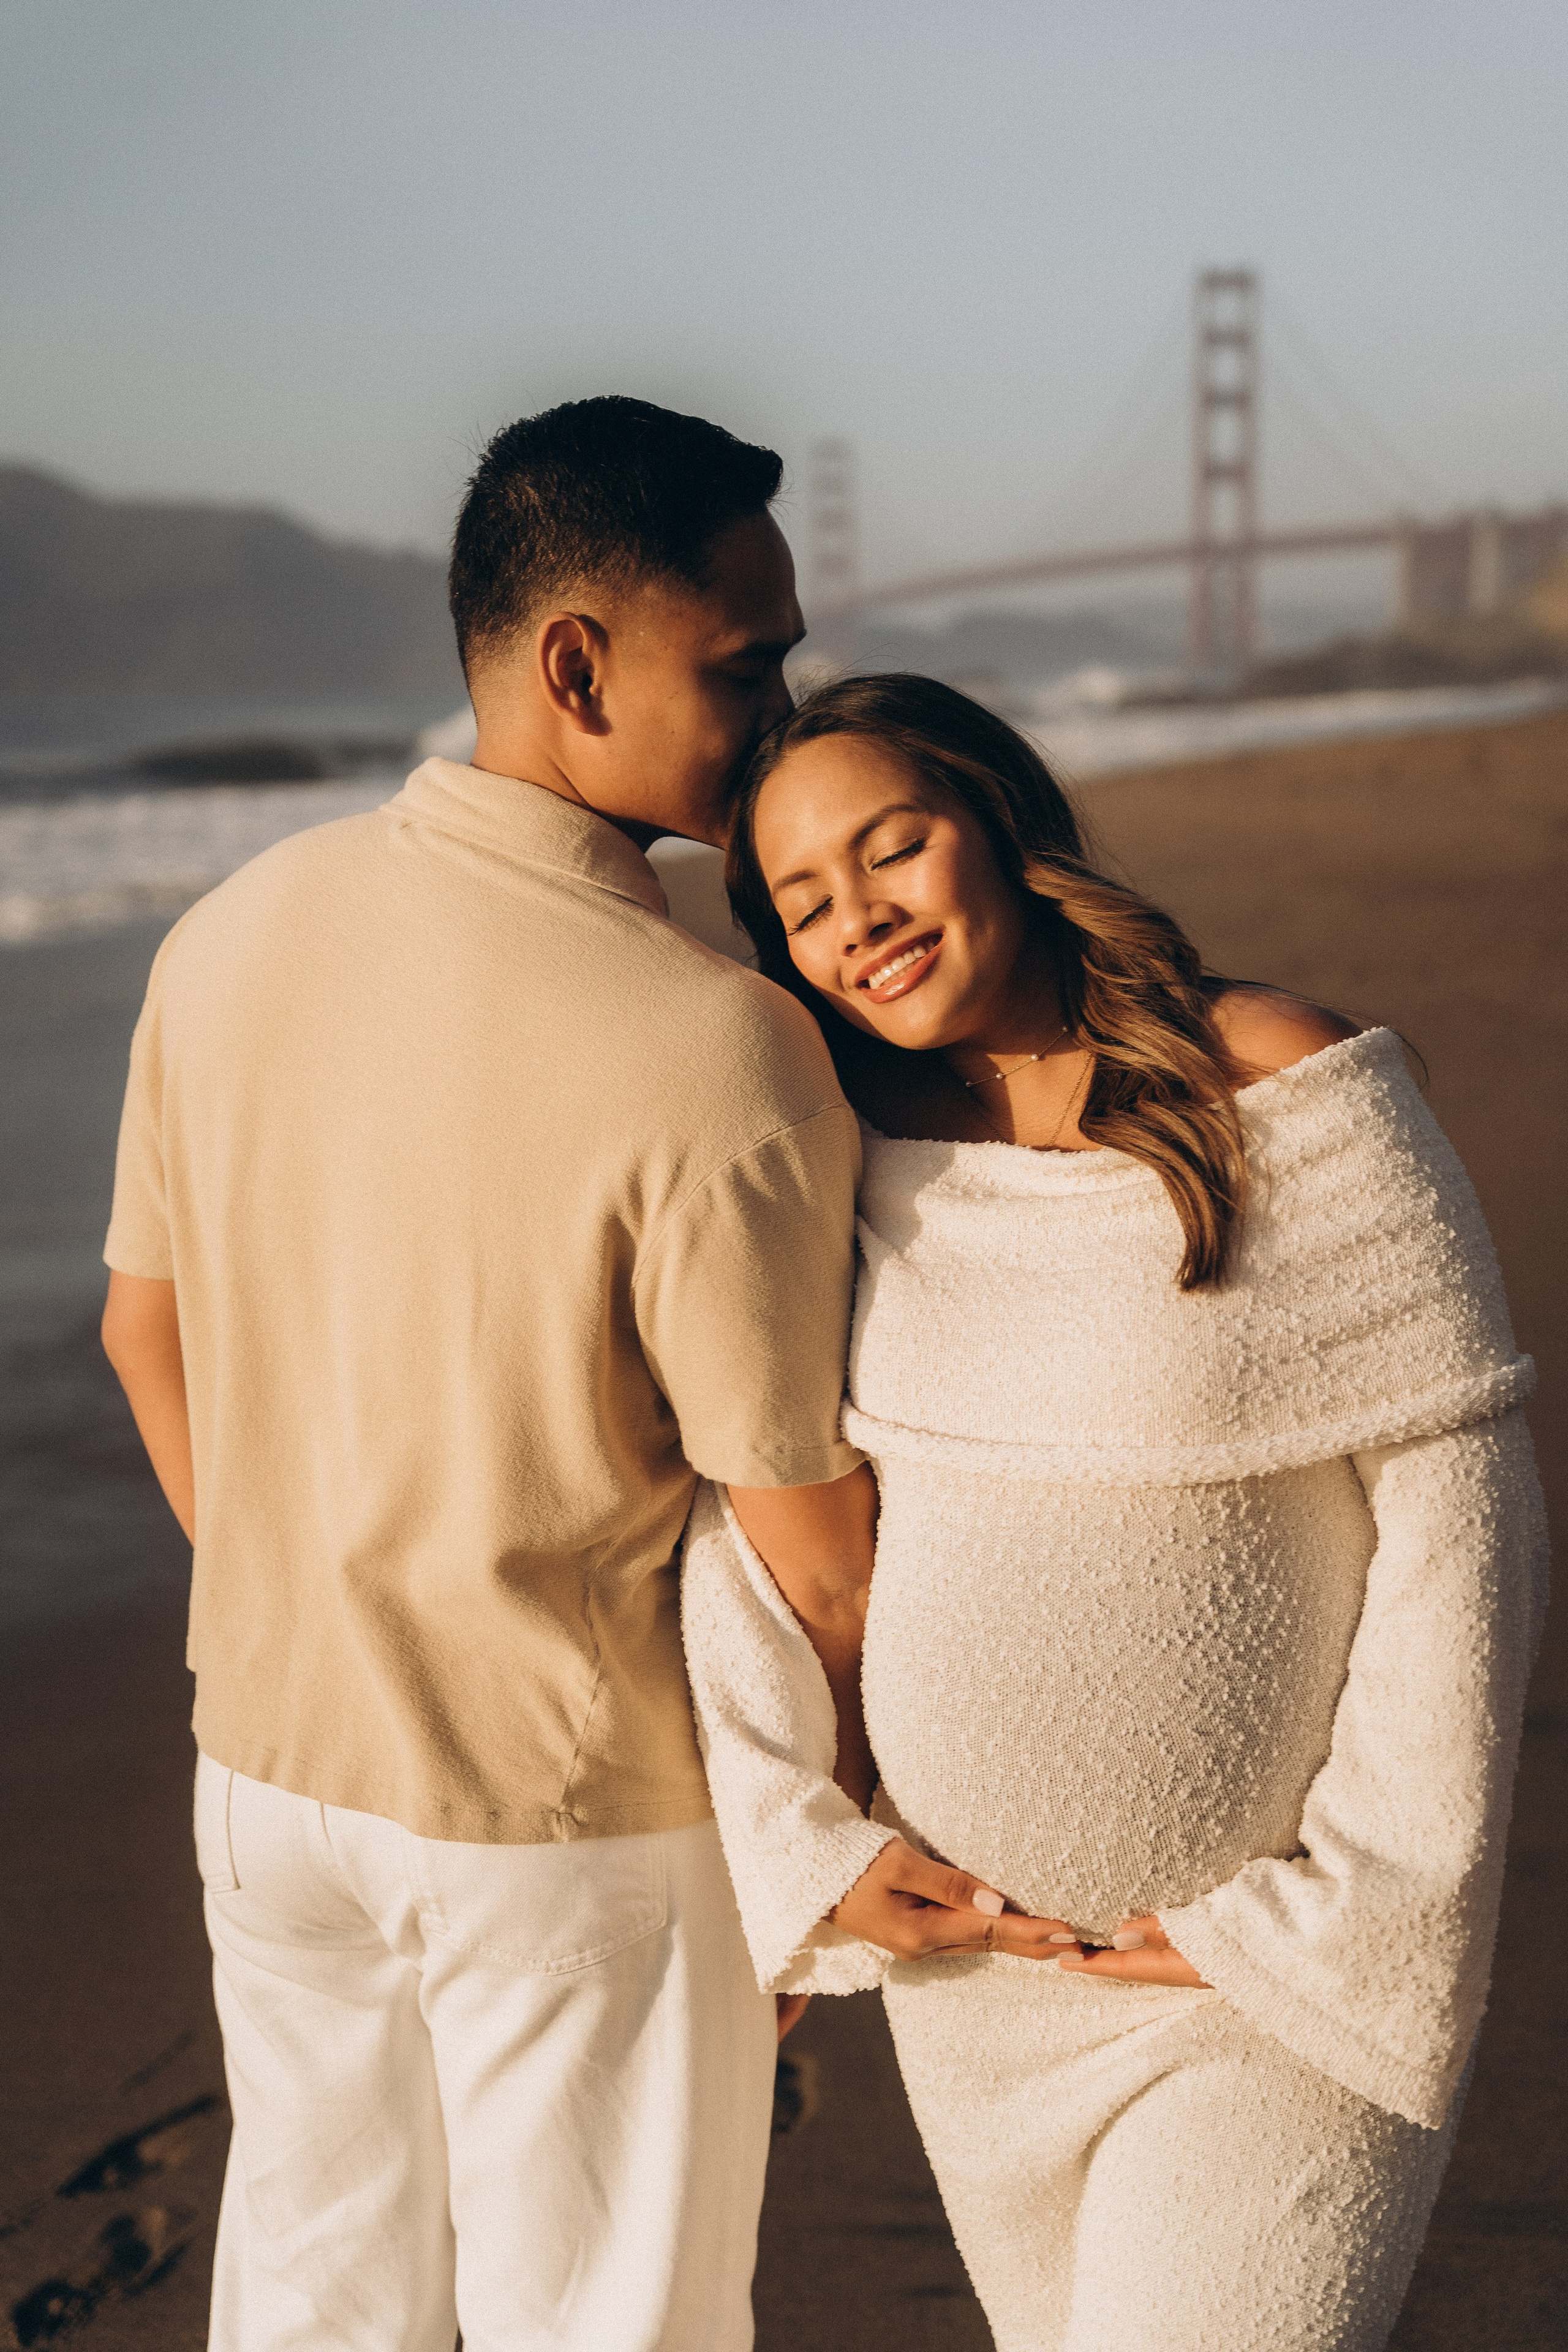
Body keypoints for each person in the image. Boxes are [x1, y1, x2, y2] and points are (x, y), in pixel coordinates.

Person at [98, 401, 1013, 2352]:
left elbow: (141, 1330)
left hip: (266, 1775)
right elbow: (814, 1549)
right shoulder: (718, 1045)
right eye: (744, 667)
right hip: (571, 1807)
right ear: (574, 664)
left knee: (314, 2300)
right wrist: (815, 1841)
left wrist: (305, 1591)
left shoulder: (226, 935)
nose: (779, 714)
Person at [682, 673, 1548, 2352]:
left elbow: (1466, 1525)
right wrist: (804, 1845)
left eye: (895, 847)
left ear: (1002, 826)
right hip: (982, 1992)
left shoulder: (1273, 1080)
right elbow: (760, 1519)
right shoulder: (841, 1165)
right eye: (805, 899)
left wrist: (1338, 1913)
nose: (860, 917)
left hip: (1262, 1981)